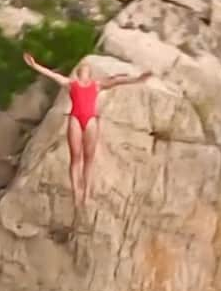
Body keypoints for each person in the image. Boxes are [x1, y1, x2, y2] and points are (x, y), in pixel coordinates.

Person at [23, 53, 153, 208]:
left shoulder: (97, 84)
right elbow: (52, 74)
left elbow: (117, 80)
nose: (83, 70)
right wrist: (34, 65)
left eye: (86, 69)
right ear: (78, 73)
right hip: (75, 118)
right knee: (76, 156)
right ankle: (77, 191)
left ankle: (86, 193)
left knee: (89, 159)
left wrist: (139, 79)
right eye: (81, 69)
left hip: (90, 119)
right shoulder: (71, 83)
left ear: (90, 73)